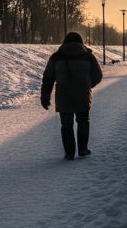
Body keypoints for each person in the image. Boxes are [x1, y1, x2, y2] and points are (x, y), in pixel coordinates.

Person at [41, 31, 103, 160]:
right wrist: (87, 85)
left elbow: (48, 78)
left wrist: (45, 97)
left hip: (64, 96)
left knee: (66, 126)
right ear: (80, 42)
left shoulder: (57, 57)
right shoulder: (87, 55)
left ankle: (69, 153)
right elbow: (98, 75)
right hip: (82, 95)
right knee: (83, 122)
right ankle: (83, 150)